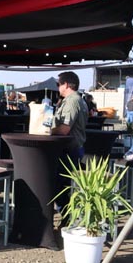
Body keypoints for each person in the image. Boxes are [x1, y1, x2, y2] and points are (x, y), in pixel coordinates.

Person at [51, 71, 88, 212]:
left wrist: (48, 131)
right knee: (64, 185)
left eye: (58, 84)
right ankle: (66, 214)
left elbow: (64, 129)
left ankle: (65, 215)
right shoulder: (79, 100)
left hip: (69, 150)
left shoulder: (72, 101)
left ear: (66, 84)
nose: (58, 87)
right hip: (75, 148)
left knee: (60, 186)